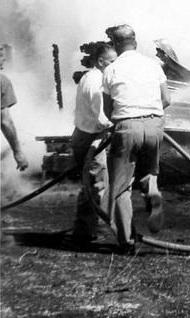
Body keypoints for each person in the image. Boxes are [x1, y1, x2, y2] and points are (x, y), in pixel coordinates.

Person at [102, 24, 171, 254]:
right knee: (149, 174)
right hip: (154, 125)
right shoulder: (152, 65)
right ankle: (153, 196)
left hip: (127, 127)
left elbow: (107, 110)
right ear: (135, 41)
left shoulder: (111, 69)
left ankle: (127, 242)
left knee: (121, 187)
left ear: (115, 45)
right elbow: (167, 99)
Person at [69, 41, 117, 244]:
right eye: (112, 62)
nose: (116, 65)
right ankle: (84, 233)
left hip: (83, 134)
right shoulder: (97, 84)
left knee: (92, 183)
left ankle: (87, 228)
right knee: (96, 184)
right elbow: (101, 120)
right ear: (100, 61)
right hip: (92, 139)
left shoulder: (90, 76)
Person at [0, 48, 28, 171]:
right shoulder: (1, 81)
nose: (4, 59)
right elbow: (5, 122)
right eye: (0, 55)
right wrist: (18, 152)